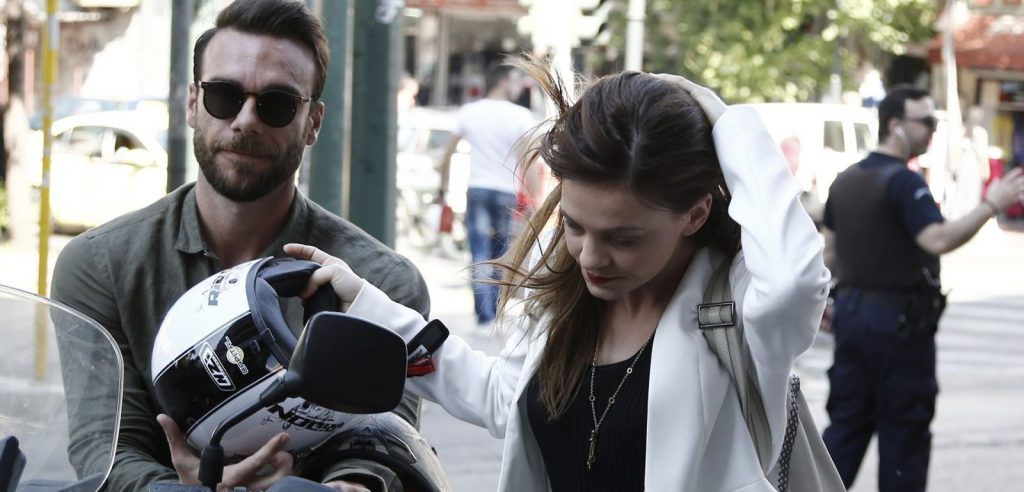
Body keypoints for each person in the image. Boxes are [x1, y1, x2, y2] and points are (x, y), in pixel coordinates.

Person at [285, 55, 831, 491]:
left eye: (623, 238)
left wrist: (724, 119)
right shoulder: (570, 299)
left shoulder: (739, 310)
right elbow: (501, 397)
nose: (590, 256)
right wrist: (366, 306)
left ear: (695, 214)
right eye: (574, 225)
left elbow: (797, 280)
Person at [49, 1, 430, 490]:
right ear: (192, 103)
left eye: (277, 103)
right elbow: (106, 448)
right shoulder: (100, 265)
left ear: (313, 122)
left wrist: (341, 488)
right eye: (223, 95)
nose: (247, 120)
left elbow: (382, 443)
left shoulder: (383, 283)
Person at [820, 86, 1024, 492]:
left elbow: (829, 254)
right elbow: (937, 239)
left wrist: (829, 300)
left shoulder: (846, 180)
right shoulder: (903, 182)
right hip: (899, 330)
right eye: (926, 121)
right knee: (904, 442)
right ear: (895, 125)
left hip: (853, 319)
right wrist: (992, 205)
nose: (932, 130)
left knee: (844, 433)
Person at [437, 62, 537, 331]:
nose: (519, 87)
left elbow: (447, 154)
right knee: (502, 254)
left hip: (478, 189)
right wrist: (534, 198)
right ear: (503, 81)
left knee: (479, 252)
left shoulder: (470, 112)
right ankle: (494, 314)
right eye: (516, 80)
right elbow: (528, 160)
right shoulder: (521, 115)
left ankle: (484, 317)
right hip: (506, 192)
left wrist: (443, 187)